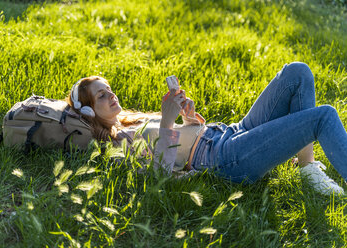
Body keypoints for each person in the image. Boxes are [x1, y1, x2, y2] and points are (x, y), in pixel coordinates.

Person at [66, 62, 347, 195]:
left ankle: (307, 167)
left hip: (230, 131)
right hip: (225, 157)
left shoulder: (131, 120)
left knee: (297, 73)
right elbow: (160, 177)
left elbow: (185, 137)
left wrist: (187, 118)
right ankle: (309, 169)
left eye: (109, 90)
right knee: (323, 117)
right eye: (101, 96)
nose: (111, 96)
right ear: (89, 111)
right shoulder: (117, 143)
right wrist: (166, 121)